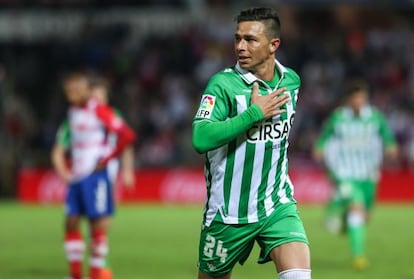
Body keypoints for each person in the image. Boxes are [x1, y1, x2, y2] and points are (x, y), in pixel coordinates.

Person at [192, 7, 311, 279]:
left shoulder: (291, 81)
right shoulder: (223, 85)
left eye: (250, 39)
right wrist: (254, 114)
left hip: (277, 204)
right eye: (237, 38)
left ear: (273, 45)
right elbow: (200, 139)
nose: (240, 47)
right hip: (228, 214)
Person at [51, 72, 136, 279]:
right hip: (77, 176)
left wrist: (108, 160)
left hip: (95, 176)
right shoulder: (73, 111)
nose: (70, 94)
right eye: (68, 90)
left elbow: (127, 135)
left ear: (86, 91)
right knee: (71, 221)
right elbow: (61, 148)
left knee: (97, 224)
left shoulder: (99, 110)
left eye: (75, 89)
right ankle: (76, 275)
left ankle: (97, 273)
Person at [312, 80, 398, 270]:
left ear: (365, 98)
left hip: (368, 175)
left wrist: (391, 147)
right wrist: (319, 148)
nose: (358, 101)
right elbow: (324, 137)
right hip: (345, 173)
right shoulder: (338, 118)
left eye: (361, 97)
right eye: (355, 98)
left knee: (364, 216)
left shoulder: (375, 117)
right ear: (349, 100)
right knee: (356, 209)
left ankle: (340, 217)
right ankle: (359, 257)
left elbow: (387, 136)